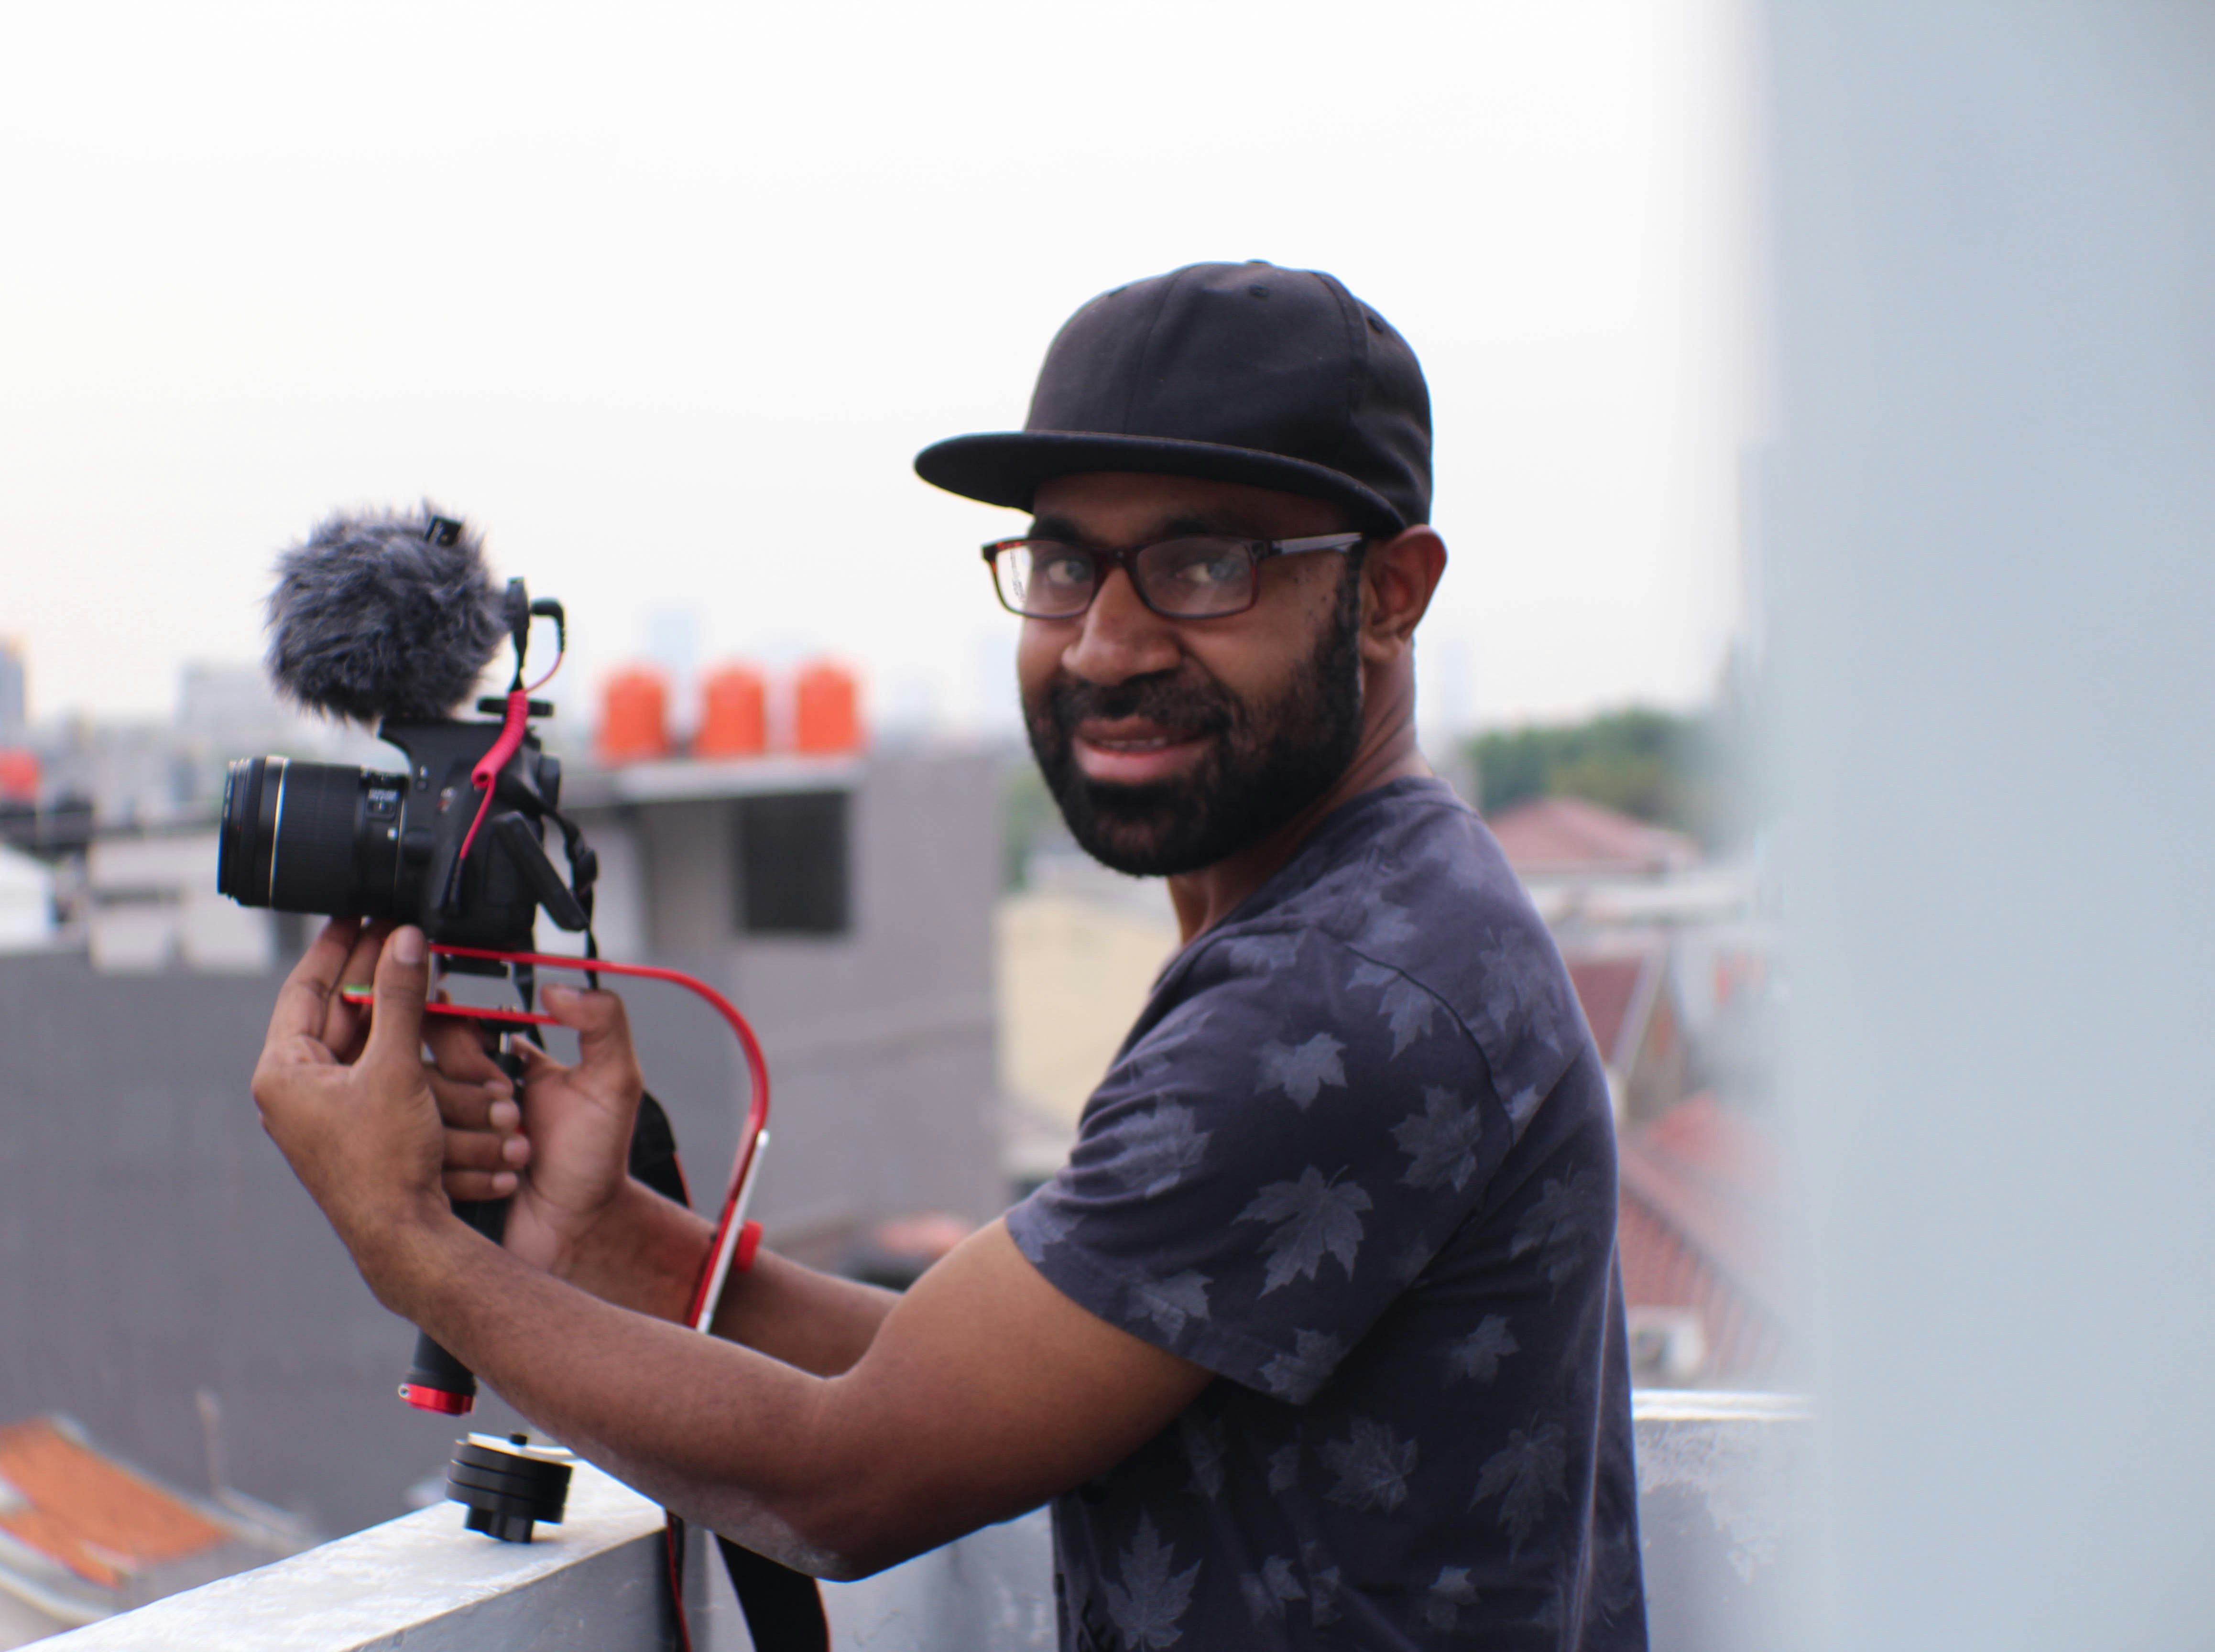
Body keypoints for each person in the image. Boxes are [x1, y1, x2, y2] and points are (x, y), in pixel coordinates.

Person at [252, 261, 1646, 1649]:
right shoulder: (1367, 912)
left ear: (1389, 593)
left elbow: (849, 1479)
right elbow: (963, 1374)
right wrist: (612, 1236)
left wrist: (412, 1248)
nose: (1105, 644)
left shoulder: (1340, 1002)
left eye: (1203, 564)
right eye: (1062, 565)